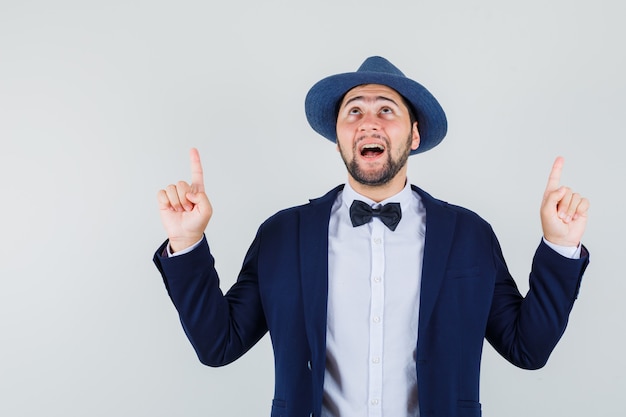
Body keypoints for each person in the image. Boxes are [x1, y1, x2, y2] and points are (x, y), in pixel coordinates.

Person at [153, 56, 589, 417]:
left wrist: (559, 246)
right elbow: (218, 345)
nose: (368, 122)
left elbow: (527, 348)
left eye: (386, 110)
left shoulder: (468, 235)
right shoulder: (283, 235)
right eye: (354, 111)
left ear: (414, 135)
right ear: (339, 138)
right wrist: (187, 243)